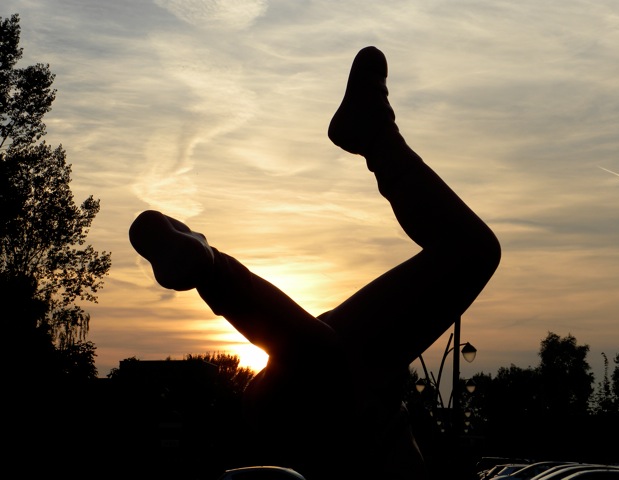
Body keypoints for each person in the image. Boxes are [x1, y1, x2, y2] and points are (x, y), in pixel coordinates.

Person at [129, 46, 501, 480]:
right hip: (355, 404)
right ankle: (375, 137)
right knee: (467, 254)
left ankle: (209, 268)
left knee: (465, 256)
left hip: (323, 415)